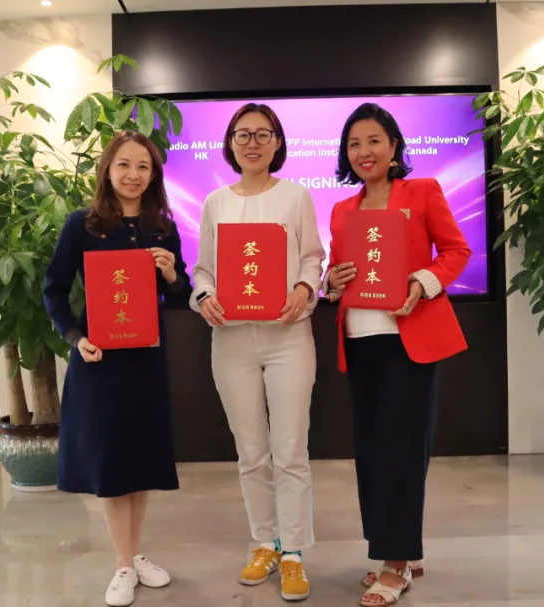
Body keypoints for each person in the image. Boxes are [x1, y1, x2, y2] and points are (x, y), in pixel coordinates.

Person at [324, 103, 471, 607]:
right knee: (370, 452)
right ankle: (395, 550)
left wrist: (423, 280)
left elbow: (456, 251)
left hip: (410, 340)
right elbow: (338, 271)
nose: (363, 152)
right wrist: (330, 280)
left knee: (402, 452)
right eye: (354, 144)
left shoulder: (422, 192)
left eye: (373, 141)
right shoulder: (342, 209)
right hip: (360, 341)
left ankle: (396, 562)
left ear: (393, 146)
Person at [43, 130, 192, 607]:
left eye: (144, 167)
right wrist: (75, 338)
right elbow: (54, 291)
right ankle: (122, 565)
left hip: (145, 360)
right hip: (99, 361)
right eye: (124, 165)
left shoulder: (162, 227)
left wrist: (171, 273)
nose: (134, 175)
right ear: (108, 170)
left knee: (141, 460)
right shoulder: (81, 225)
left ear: (154, 175)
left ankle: (135, 552)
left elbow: (180, 294)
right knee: (110, 463)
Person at [189, 103, 325, 602]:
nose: (251, 142)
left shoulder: (296, 197)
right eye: (242, 134)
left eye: (262, 134)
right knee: (251, 451)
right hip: (231, 340)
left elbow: (313, 257)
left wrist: (304, 289)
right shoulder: (215, 203)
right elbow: (202, 269)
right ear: (229, 144)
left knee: (290, 450)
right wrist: (204, 296)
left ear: (277, 142)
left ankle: (293, 552)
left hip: (288, 336)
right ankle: (263, 542)